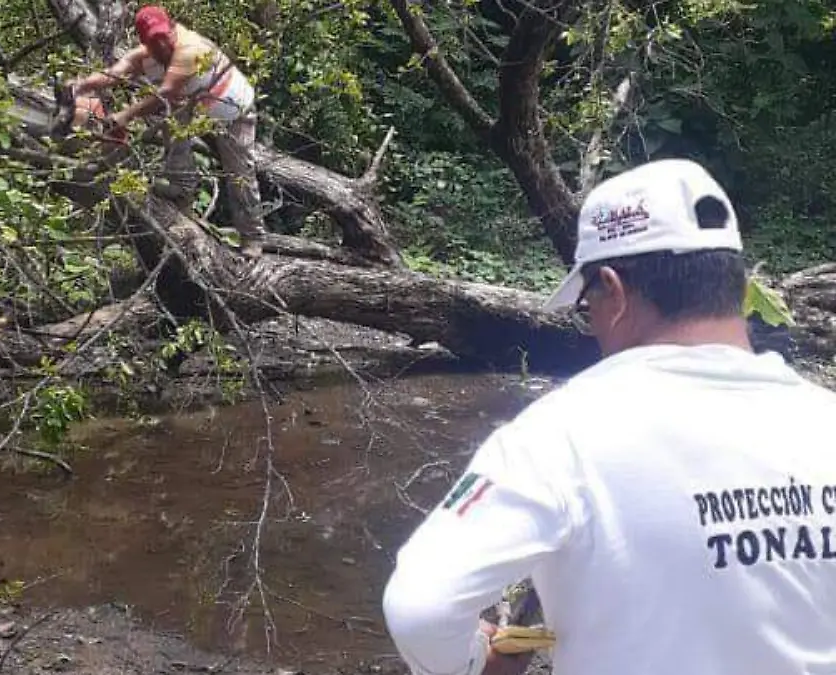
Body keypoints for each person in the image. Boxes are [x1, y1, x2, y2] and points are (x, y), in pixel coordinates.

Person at [380, 158, 836, 675]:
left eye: (586, 305)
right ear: (736, 285)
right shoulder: (826, 419)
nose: (592, 324)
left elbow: (420, 608)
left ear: (614, 293)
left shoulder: (559, 434)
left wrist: (473, 663)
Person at [71, 4, 268, 257]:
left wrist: (124, 116)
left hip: (232, 110)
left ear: (172, 28)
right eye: (154, 42)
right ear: (145, 43)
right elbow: (114, 74)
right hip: (193, 102)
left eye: (164, 37)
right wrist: (79, 87)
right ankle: (182, 189)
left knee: (239, 172)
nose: (162, 46)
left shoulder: (190, 49)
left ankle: (252, 237)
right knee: (166, 115)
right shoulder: (143, 56)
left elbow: (163, 93)